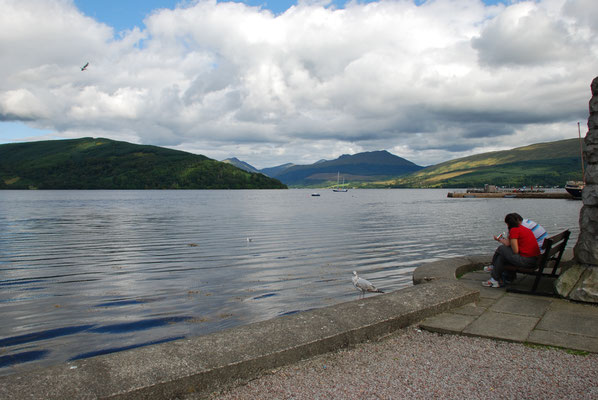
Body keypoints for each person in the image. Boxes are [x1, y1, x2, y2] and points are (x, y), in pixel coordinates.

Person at [483, 213, 540, 288]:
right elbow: (509, 244)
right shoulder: (523, 229)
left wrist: (507, 238)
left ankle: (493, 266)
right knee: (502, 256)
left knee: (501, 249)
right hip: (534, 259)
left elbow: (515, 250)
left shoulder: (514, 230)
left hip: (527, 261)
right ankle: (494, 280)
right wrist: (500, 239)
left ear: (507, 223)